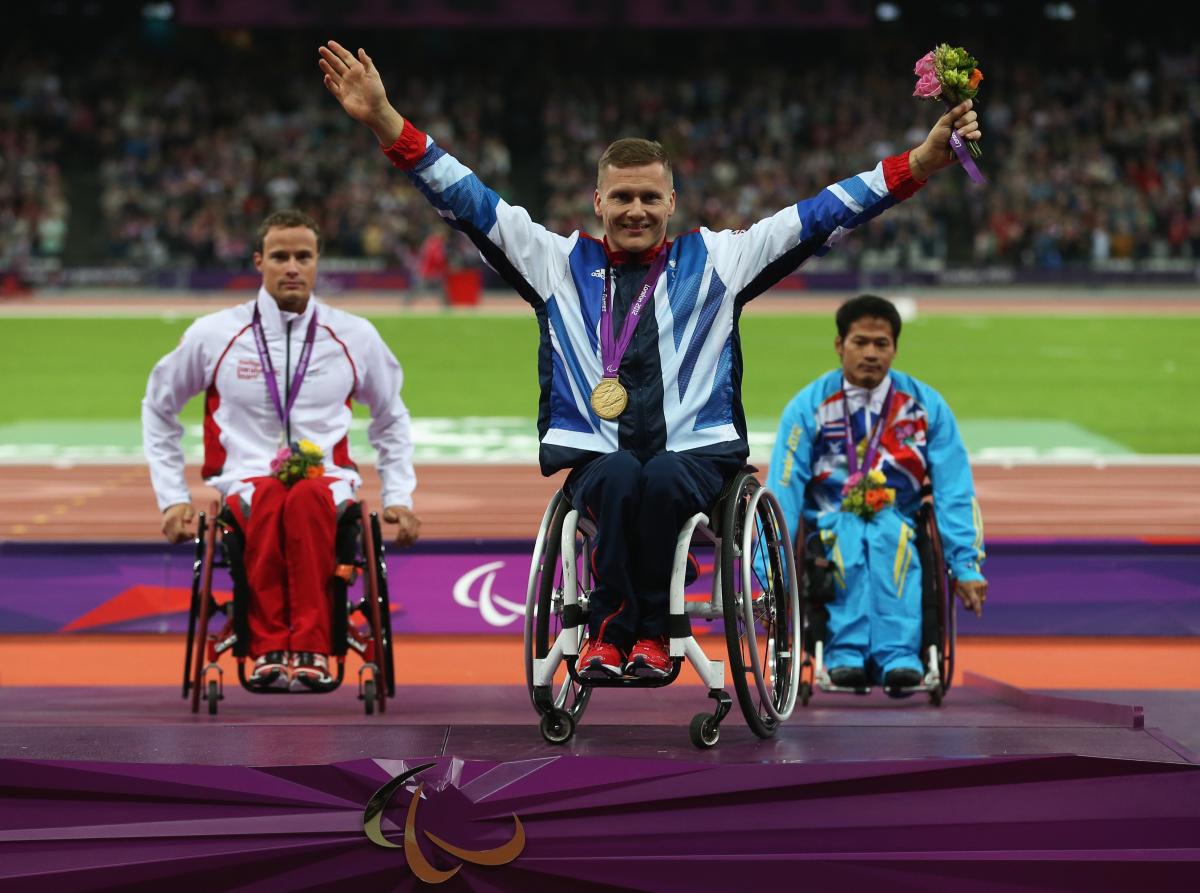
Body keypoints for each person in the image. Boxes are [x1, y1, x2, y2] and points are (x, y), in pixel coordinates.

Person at [317, 40, 981, 680]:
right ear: (598, 203)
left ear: (672, 203)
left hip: (696, 456)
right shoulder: (554, 262)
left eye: (649, 197)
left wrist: (917, 163)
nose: (636, 210)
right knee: (613, 478)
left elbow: (819, 215)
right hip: (599, 451)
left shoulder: (721, 260)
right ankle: (614, 632)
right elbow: (464, 199)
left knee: (658, 477)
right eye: (623, 197)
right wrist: (384, 120)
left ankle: (650, 631)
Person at [142, 210, 421, 691]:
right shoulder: (214, 334)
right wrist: (172, 498)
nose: (291, 266)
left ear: (317, 264)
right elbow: (157, 406)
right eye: (279, 256)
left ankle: (308, 646)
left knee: (308, 498)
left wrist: (400, 496)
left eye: (302, 256)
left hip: (328, 479)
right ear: (259, 261)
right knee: (271, 498)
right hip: (244, 478)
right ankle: (272, 644)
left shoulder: (354, 335)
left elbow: (391, 417)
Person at [767, 294, 987, 694]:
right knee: (849, 533)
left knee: (889, 535)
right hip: (827, 524)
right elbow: (784, 490)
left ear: (895, 349)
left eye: (880, 344)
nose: (870, 353)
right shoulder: (807, 408)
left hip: (899, 521)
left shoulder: (925, 408)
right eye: (860, 342)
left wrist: (966, 564)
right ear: (840, 345)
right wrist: (770, 571)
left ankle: (899, 656)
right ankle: (843, 653)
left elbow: (955, 488)